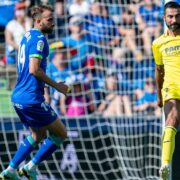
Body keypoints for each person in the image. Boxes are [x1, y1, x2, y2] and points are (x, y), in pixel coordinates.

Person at [0, 5, 71, 180]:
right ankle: (31, 167)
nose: (53, 23)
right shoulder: (40, 39)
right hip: (30, 98)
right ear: (38, 21)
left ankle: (10, 170)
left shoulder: (27, 36)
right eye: (49, 20)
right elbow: (34, 69)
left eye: (53, 19)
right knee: (61, 134)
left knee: (38, 135)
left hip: (20, 96)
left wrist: (44, 88)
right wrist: (57, 86)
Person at [152, 1, 180, 179]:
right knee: (172, 117)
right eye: (170, 16)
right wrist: (159, 95)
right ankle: (165, 165)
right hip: (172, 88)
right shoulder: (158, 44)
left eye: (177, 16)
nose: (174, 19)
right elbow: (159, 71)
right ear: (164, 18)